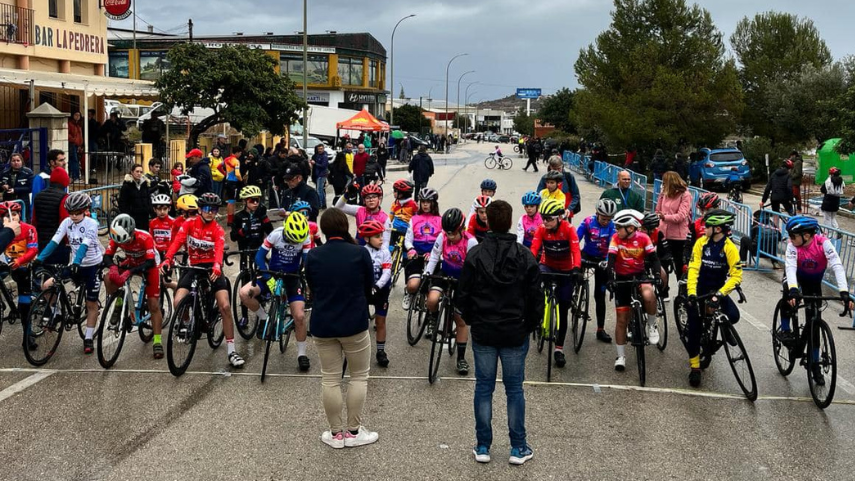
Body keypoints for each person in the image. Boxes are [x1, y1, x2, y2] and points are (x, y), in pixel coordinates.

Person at [458, 199, 541, 465]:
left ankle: (483, 445)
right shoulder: (524, 255)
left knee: (484, 387)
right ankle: (518, 447)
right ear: (509, 222)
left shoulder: (476, 254)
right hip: (514, 329)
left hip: (484, 328)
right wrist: (529, 324)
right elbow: (535, 296)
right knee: (514, 389)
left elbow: (463, 295)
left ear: (489, 222)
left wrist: (473, 319)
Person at [304, 208, 379, 449]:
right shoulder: (359, 253)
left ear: (324, 230)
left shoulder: (313, 256)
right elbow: (369, 287)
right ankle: (354, 431)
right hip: (354, 323)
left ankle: (336, 434)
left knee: (330, 379)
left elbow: (312, 288)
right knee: (359, 376)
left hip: (323, 323)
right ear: (344, 227)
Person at [160, 192, 245, 368]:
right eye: (207, 208)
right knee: (178, 300)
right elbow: (177, 242)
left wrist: (216, 265)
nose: (210, 212)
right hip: (193, 266)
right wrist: (167, 259)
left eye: (214, 209)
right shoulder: (189, 223)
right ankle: (187, 324)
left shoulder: (217, 229)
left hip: (211, 268)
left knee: (225, 306)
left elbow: (220, 249)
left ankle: (231, 350)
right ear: (199, 209)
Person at [778, 215, 853, 386]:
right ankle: (785, 329)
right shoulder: (792, 247)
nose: (790, 239)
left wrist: (843, 291)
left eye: (793, 236)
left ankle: (814, 364)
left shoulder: (823, 243)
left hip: (814, 282)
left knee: (815, 323)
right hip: (796, 277)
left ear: (806, 235)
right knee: (788, 294)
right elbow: (790, 267)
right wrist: (794, 290)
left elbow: (837, 265)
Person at [240, 212, 312, 370]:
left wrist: (308, 277)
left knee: (299, 316)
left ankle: (301, 354)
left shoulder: (306, 237)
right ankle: (265, 318)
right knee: (245, 293)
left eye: (297, 241)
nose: (294, 243)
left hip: (292, 277)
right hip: (271, 274)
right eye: (292, 239)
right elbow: (259, 257)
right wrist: (267, 278)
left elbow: (307, 261)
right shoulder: (276, 234)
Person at [34, 192, 104, 354]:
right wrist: (40, 258)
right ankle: (57, 312)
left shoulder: (91, 224)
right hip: (75, 264)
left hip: (92, 265)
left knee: (91, 304)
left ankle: (88, 337)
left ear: (86, 210)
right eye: (70, 212)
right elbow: (54, 241)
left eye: (77, 212)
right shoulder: (67, 222)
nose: (73, 216)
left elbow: (84, 246)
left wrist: (77, 262)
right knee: (46, 286)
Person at [685, 210, 743, 387]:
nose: (704, 229)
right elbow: (694, 268)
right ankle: (695, 367)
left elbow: (736, 276)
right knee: (694, 327)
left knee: (733, 316)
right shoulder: (701, 243)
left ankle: (722, 329)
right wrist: (691, 293)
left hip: (718, 290)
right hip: (700, 289)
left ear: (717, 229)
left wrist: (720, 294)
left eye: (707, 226)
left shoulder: (729, 247)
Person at [423, 207, 477, 374]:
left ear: (461, 229)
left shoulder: (471, 242)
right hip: (445, 271)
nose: (450, 236)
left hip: (462, 278)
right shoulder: (442, 236)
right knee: (432, 299)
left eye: (453, 233)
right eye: (447, 233)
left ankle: (461, 358)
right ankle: (432, 317)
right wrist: (427, 273)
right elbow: (434, 256)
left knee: (460, 319)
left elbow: (473, 269)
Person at [102, 214, 164, 359]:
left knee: (153, 304)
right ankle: (118, 302)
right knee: (108, 278)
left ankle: (157, 341)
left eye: (127, 240)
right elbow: (107, 256)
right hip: (132, 260)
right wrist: (112, 267)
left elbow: (149, 263)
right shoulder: (117, 235)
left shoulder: (145, 237)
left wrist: (130, 272)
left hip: (149, 264)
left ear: (131, 232)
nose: (124, 244)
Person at [529, 199, 582, 368]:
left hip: (566, 269)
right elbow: (534, 248)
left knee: (563, 308)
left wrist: (576, 268)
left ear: (559, 217)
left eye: (549, 218)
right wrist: (530, 265)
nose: (545, 222)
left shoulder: (569, 229)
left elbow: (575, 250)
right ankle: (538, 318)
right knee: (536, 289)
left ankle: (559, 349)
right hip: (547, 265)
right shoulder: (542, 229)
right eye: (543, 218)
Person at [607, 209, 660, 371]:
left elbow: (653, 258)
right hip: (622, 278)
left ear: (630, 228)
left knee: (648, 294)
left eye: (619, 227)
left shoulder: (643, 238)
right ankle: (621, 356)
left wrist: (657, 274)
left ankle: (652, 325)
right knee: (622, 319)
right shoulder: (616, 238)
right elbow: (611, 260)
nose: (616, 230)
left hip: (640, 275)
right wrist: (610, 278)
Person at [575, 199, 618, 343]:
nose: (606, 221)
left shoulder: (613, 227)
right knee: (575, 275)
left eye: (609, 219)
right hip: (586, 255)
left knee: (600, 295)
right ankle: (574, 296)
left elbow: (613, 245)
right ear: (597, 214)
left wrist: (607, 260)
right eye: (603, 218)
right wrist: (574, 256)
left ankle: (600, 329)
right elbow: (576, 239)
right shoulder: (588, 222)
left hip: (602, 259)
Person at [0, 201, 38, 350]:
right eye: (5, 216)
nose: (11, 218)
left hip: (22, 265)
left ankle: (27, 334)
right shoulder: (3, 231)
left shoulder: (28, 229)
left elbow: (33, 250)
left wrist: (19, 261)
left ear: (19, 215)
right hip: (5, 264)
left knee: (24, 299)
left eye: (14, 215)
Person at [358, 220, 393, 367]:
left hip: (380, 290)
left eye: (382, 235)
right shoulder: (362, 251)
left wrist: (377, 286)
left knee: (380, 322)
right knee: (360, 322)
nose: (381, 239)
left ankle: (380, 351)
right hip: (365, 290)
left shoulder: (385, 251)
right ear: (367, 239)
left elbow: (386, 272)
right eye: (377, 236)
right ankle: (360, 350)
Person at [402, 187, 441, 310]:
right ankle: (409, 292)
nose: (425, 204)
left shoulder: (440, 220)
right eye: (423, 201)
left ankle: (432, 317)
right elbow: (408, 239)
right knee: (413, 285)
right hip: (417, 253)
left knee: (432, 297)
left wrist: (434, 254)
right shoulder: (414, 219)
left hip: (433, 254)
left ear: (434, 203)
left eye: (428, 202)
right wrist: (411, 249)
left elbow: (443, 242)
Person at [655, 171, 692, 280]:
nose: (663, 185)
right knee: (662, 265)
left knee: (680, 265)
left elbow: (681, 216)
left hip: (678, 236)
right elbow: (658, 210)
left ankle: (682, 291)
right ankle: (663, 291)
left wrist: (665, 217)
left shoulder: (685, 195)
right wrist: (661, 196)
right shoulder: (664, 193)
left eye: (664, 183)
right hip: (663, 234)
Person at [31, 167, 70, 264]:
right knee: (57, 273)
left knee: (44, 268)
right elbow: (64, 222)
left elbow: (34, 220)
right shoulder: (64, 197)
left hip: (41, 239)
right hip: (57, 241)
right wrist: (67, 241)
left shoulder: (39, 196)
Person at [334, 184, 391, 249]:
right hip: (358, 248)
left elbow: (386, 242)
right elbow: (338, 207)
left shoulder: (385, 218)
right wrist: (347, 194)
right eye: (367, 197)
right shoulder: (359, 210)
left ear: (379, 199)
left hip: (375, 252)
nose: (371, 200)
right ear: (364, 200)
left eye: (374, 197)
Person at [118, 163, 153, 231]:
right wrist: (128, 216)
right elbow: (122, 203)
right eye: (137, 171)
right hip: (132, 218)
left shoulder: (145, 184)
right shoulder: (127, 186)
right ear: (132, 172)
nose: (139, 173)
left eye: (141, 172)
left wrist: (149, 210)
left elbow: (148, 198)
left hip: (144, 217)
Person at [0, 153, 34, 218]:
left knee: (23, 220)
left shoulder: (28, 172)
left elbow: (30, 188)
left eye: (18, 160)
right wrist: (2, 186)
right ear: (10, 162)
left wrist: (15, 190)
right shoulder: (4, 173)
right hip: (8, 202)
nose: (16, 163)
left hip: (23, 202)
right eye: (13, 161)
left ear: (22, 161)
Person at [389, 179, 417, 247]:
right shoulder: (395, 204)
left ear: (402, 193)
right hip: (395, 229)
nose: (393, 193)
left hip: (407, 231)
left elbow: (416, 219)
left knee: (406, 249)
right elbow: (390, 218)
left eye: (395, 191)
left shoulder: (413, 205)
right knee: (390, 247)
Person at [223, 146, 243, 224]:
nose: (240, 155)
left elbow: (219, 167)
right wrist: (241, 181)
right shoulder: (236, 161)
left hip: (227, 181)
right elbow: (237, 174)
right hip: (234, 182)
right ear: (237, 152)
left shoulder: (226, 159)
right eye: (240, 153)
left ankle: (230, 218)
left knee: (229, 200)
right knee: (232, 201)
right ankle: (230, 220)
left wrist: (225, 174)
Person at [311, 144, 330, 209]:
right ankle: (323, 204)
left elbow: (323, 166)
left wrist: (315, 163)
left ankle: (320, 204)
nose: (320, 150)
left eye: (321, 149)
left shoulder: (324, 156)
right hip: (318, 174)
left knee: (319, 190)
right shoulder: (318, 155)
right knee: (320, 190)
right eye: (319, 149)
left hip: (321, 175)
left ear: (323, 149)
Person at [67, 111, 83, 181]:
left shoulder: (78, 125)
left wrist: (80, 144)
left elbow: (80, 136)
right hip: (72, 144)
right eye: (76, 115)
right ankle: (75, 176)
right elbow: (67, 134)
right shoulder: (70, 124)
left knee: (75, 160)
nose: (77, 116)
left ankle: (74, 176)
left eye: (79, 115)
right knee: (74, 160)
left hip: (77, 145)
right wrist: (74, 140)